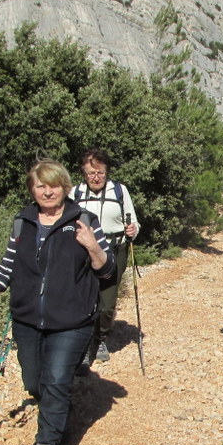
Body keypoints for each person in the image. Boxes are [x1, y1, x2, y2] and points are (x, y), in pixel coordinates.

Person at [0, 160, 115, 445]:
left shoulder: (83, 221)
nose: (48, 191)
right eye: (40, 186)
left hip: (72, 319)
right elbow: (8, 266)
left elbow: (107, 271)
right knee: (35, 383)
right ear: (32, 189)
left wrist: (92, 246)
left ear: (65, 188)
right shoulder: (23, 222)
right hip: (27, 318)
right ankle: (56, 408)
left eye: (54, 185)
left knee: (57, 381)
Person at [69, 148, 139, 369]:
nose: (96, 177)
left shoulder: (119, 191)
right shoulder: (75, 193)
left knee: (107, 305)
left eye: (100, 172)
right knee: (82, 301)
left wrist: (132, 230)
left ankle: (100, 339)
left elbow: (134, 223)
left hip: (114, 250)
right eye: (90, 173)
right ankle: (84, 345)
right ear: (83, 173)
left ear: (106, 172)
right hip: (82, 252)